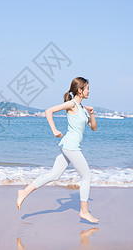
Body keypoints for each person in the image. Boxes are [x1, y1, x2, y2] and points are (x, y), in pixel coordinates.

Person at [16, 76, 99, 223]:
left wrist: (91, 113)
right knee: (86, 177)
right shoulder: (71, 104)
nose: (89, 91)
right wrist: (54, 130)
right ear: (80, 91)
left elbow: (93, 128)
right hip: (71, 146)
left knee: (54, 174)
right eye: (87, 88)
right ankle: (84, 211)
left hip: (70, 145)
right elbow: (49, 111)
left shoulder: (82, 108)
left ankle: (24, 192)